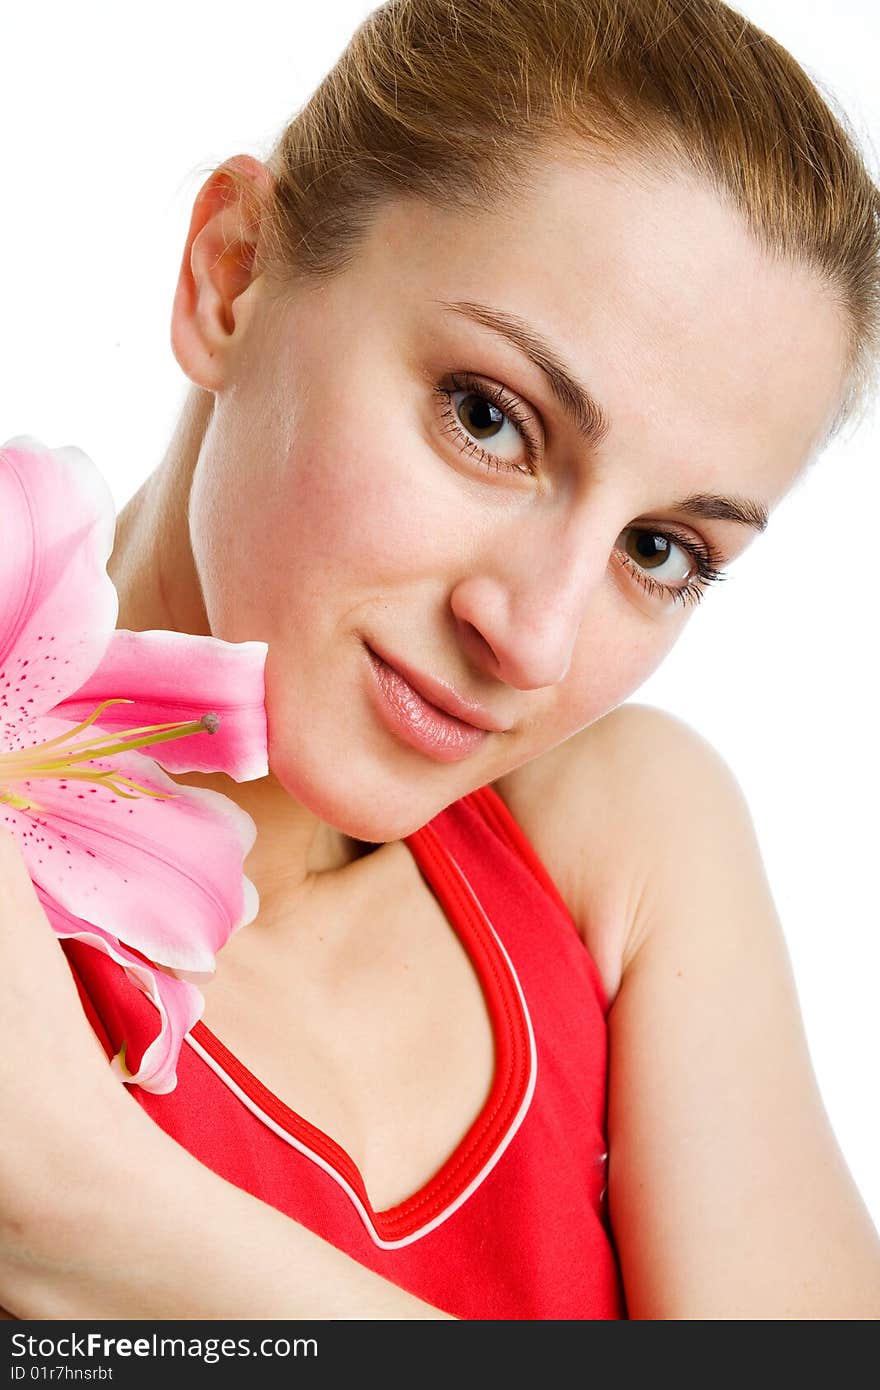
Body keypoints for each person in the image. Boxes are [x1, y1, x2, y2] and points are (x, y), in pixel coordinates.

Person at [2, 0, 880, 1321]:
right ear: (231, 275)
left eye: (660, 549)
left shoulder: (615, 845)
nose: (531, 637)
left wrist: (97, 1211)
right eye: (489, 419)